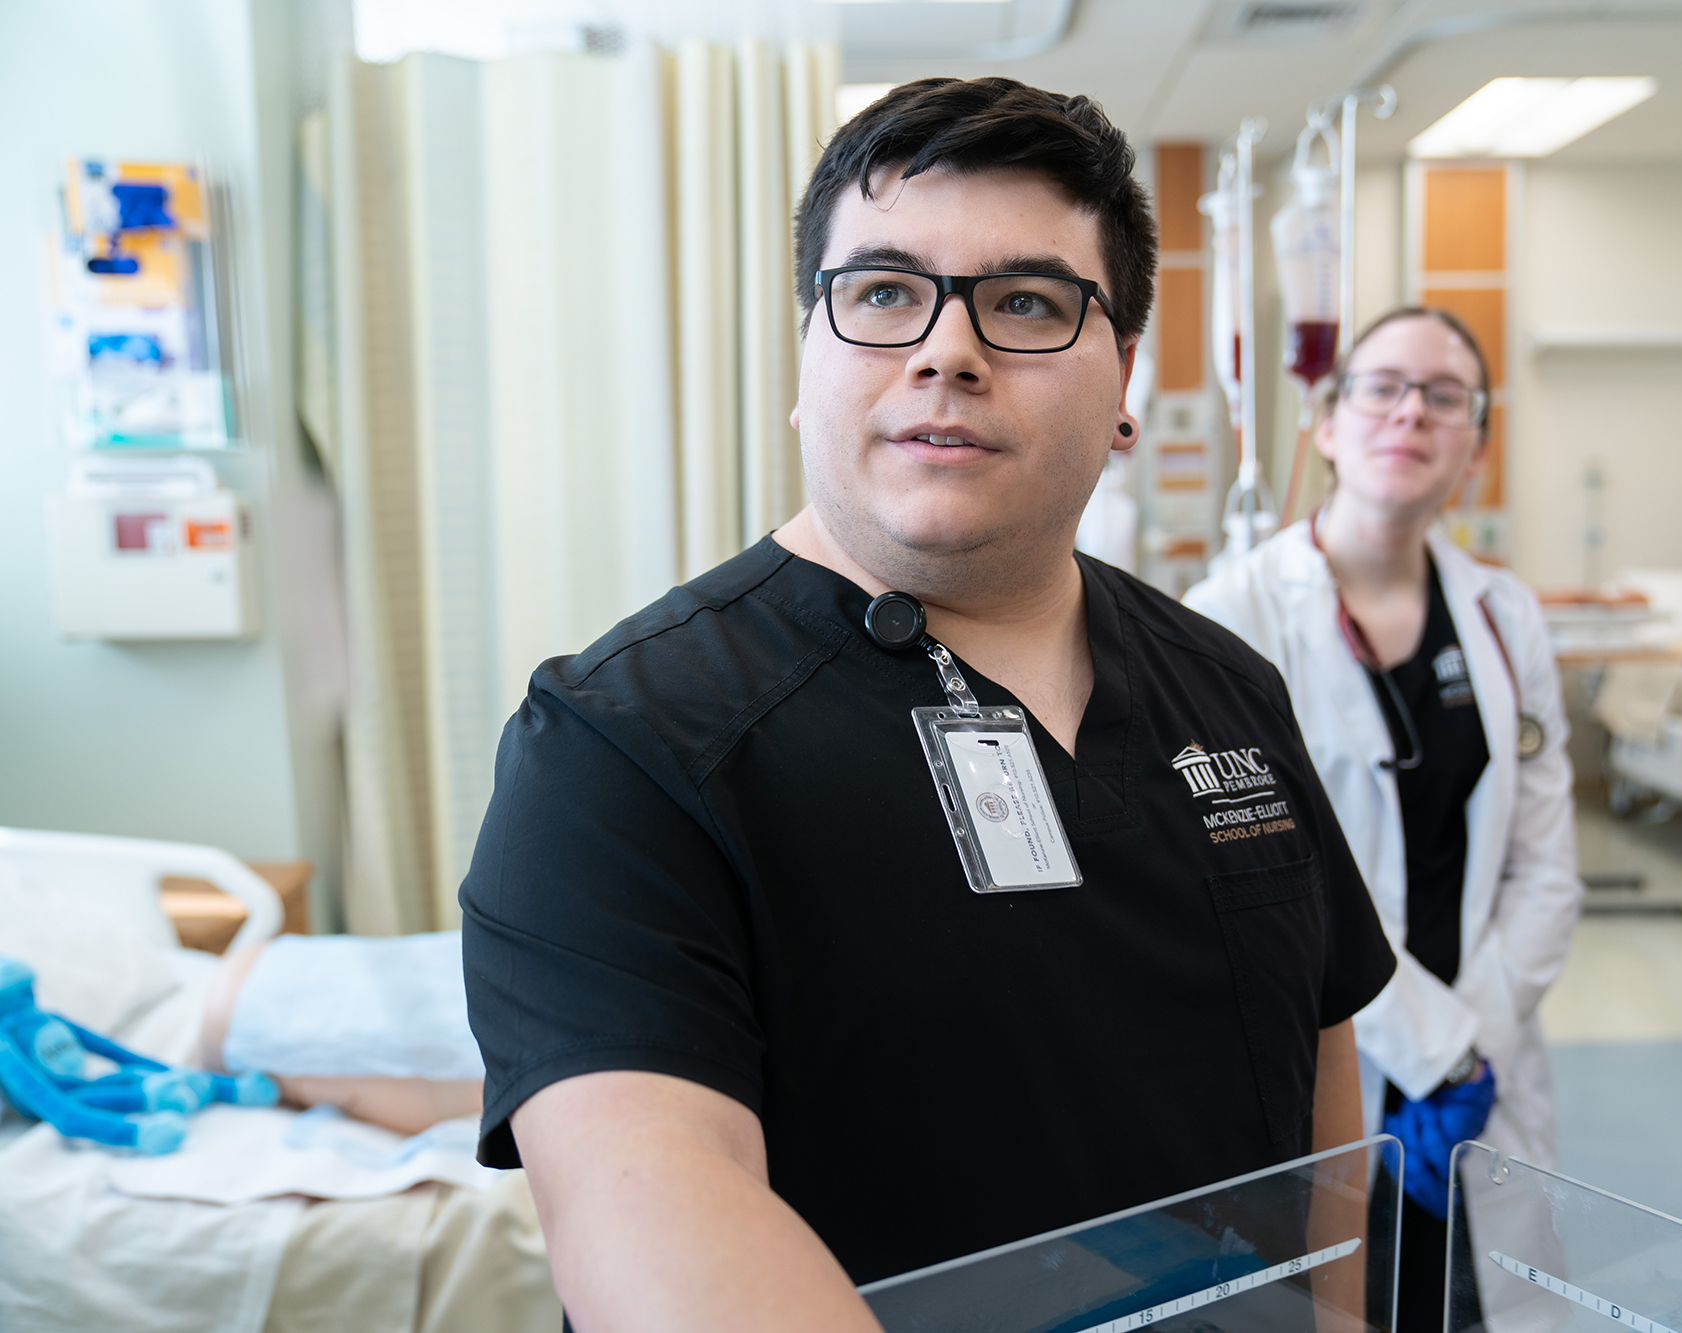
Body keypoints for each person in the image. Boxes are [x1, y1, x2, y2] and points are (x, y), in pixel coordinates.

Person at [457, 77, 1396, 1332]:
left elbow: (1320, 1057)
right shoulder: (625, 748)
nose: (945, 350)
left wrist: (1330, 1318)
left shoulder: (1224, 689)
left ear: (1123, 376)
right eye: (884, 294)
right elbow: (652, 1212)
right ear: (805, 361)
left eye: (1024, 303)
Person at [1184, 307, 1583, 1325]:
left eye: (1443, 396)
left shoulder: (1503, 614)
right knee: (1328, 1301)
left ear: (1475, 444)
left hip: (1479, 1063)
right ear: (1324, 421)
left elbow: (1544, 867)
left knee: (1475, 1304)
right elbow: (1268, 888)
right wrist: (1423, 1047)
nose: (1410, 411)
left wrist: (1464, 1050)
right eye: (1381, 386)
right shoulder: (1230, 616)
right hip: (1327, 1053)